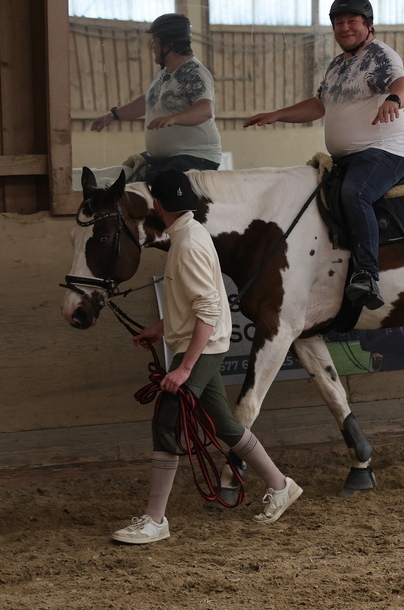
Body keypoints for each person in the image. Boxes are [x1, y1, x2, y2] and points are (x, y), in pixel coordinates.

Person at [112, 170, 302, 545]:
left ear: (160, 205)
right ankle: (282, 485)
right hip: (201, 343)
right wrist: (162, 327)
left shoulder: (187, 244)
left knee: (166, 422)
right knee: (226, 427)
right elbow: (198, 299)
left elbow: (210, 307)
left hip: (200, 348)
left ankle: (155, 520)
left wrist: (184, 368)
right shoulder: (190, 233)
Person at [243, 0, 404, 311]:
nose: (345, 28)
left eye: (352, 22)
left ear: (368, 24)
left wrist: (394, 100)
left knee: (355, 194)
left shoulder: (380, 54)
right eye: (339, 23)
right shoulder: (338, 65)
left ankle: (366, 274)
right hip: (347, 157)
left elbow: (402, 83)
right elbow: (319, 105)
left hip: (383, 151)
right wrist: (276, 114)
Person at [90, 13, 223, 183]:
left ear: (169, 43)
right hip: (165, 158)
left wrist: (173, 118)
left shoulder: (194, 72)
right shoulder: (163, 73)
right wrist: (113, 115)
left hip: (195, 158)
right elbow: (149, 101)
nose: (152, 46)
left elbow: (205, 109)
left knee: (161, 192)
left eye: (155, 41)